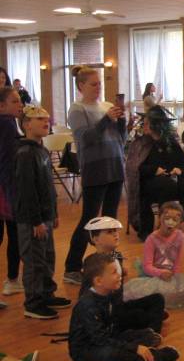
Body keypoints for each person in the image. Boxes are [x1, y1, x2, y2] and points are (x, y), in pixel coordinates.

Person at [69, 253, 179, 361]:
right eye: (114, 272)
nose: (119, 275)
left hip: (105, 338)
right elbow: (101, 340)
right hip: (86, 351)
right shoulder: (88, 305)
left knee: (144, 335)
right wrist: (135, 348)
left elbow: (113, 328)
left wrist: (131, 341)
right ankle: (158, 356)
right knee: (118, 354)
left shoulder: (108, 292)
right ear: (98, 281)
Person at [64, 66, 127, 285]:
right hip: (95, 168)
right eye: (93, 84)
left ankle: (108, 265)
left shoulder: (107, 106)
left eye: (99, 83)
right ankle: (72, 267)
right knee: (89, 220)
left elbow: (121, 139)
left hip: (115, 165)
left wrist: (121, 122)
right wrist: (106, 120)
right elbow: (86, 138)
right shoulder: (76, 109)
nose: (98, 87)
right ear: (81, 86)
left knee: (110, 220)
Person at [15, 105, 71, 319]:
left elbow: (48, 186)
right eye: (39, 119)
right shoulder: (25, 153)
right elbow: (27, 191)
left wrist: (54, 212)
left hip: (46, 216)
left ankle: (47, 293)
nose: (45, 122)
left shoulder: (42, 150)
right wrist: (36, 221)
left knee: (47, 257)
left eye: (47, 118)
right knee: (34, 260)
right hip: (32, 219)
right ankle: (33, 302)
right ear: (27, 124)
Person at [82, 216, 167, 335]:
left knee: (158, 298)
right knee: (140, 315)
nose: (116, 234)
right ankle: (152, 332)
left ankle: (152, 319)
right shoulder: (92, 263)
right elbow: (87, 295)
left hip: (119, 304)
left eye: (116, 231)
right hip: (109, 313)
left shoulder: (117, 256)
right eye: (109, 232)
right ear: (96, 239)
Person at [126, 105, 184, 241]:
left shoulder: (170, 143)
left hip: (172, 180)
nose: (145, 126)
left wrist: (180, 170)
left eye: (148, 123)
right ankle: (161, 228)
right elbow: (134, 168)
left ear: (156, 125)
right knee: (166, 185)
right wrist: (154, 170)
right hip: (148, 182)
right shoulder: (140, 144)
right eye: (145, 123)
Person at [124, 201, 184, 309]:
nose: (170, 222)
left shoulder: (180, 237)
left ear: (180, 221)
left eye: (175, 220)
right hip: (152, 276)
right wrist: (160, 273)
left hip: (170, 276)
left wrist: (175, 282)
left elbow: (177, 263)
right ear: (160, 218)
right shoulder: (151, 239)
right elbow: (147, 267)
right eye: (167, 218)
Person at [0, 87, 23, 300]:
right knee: (14, 236)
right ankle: (12, 280)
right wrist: (10, 193)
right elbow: (6, 162)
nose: (20, 104)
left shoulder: (9, 124)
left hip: (5, 189)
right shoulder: (7, 124)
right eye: (15, 101)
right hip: (5, 191)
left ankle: (13, 280)